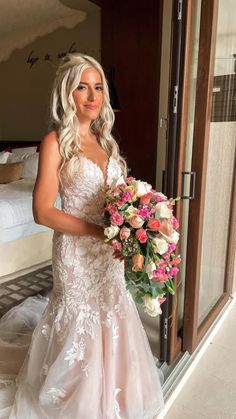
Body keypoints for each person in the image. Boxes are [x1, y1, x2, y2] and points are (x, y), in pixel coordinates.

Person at [4, 53, 164, 418]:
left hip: (109, 256)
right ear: (67, 93)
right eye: (82, 87)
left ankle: (112, 398)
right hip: (76, 253)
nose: (92, 97)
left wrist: (138, 224)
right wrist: (102, 233)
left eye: (98, 88)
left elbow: (120, 199)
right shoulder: (55, 142)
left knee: (113, 312)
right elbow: (42, 210)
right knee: (80, 321)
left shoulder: (106, 142)